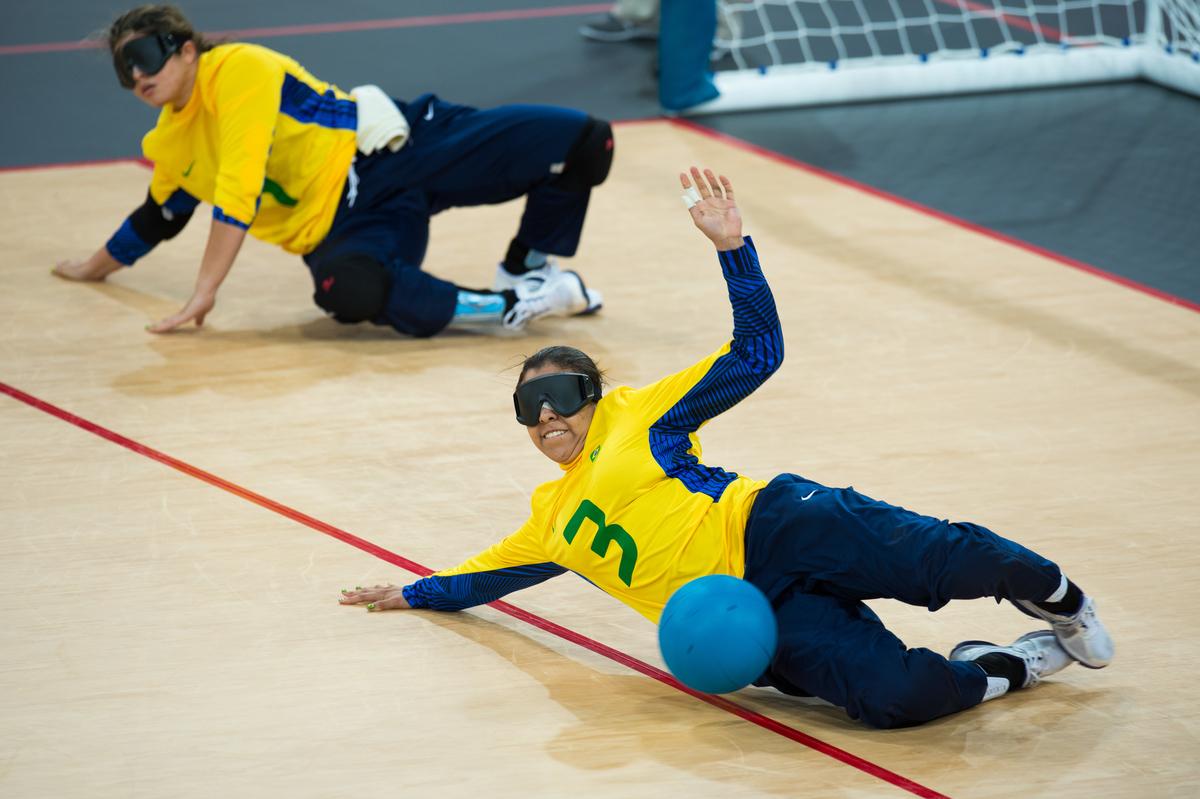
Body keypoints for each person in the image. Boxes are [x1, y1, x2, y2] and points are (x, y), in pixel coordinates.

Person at [338, 167, 1114, 729]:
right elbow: (482, 577)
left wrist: (734, 249)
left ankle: (1061, 598)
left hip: (778, 522)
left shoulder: (644, 416)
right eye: (527, 406)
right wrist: (410, 591)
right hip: (754, 617)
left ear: (595, 397)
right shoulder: (551, 523)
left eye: (561, 395)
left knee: (944, 559)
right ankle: (1005, 663)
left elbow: (756, 353)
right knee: (894, 699)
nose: (546, 417)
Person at [54, 5, 611, 337]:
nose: (136, 76)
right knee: (349, 289)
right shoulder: (169, 143)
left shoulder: (238, 68)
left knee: (585, 140)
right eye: (123, 70)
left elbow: (239, 188)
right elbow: (159, 217)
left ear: (187, 49)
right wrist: (91, 268)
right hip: (342, 226)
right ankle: (513, 307)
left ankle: (525, 268)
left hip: (395, 148)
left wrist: (204, 291)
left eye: (145, 57)